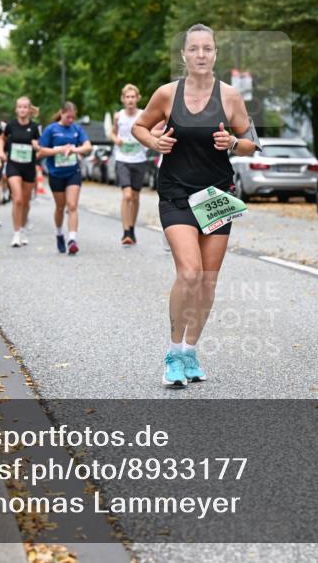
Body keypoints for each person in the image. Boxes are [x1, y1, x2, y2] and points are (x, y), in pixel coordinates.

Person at [130, 24, 261, 388]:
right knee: (189, 272)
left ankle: (190, 350)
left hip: (217, 196)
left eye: (208, 48)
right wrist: (153, 141)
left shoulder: (231, 96)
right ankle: (173, 353)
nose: (201, 54)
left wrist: (233, 142)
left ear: (215, 54)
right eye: (194, 49)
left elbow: (252, 142)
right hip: (176, 193)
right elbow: (139, 127)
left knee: (207, 280)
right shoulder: (167, 94)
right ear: (184, 55)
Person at [38, 102, 91, 255]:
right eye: (68, 117)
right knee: (60, 207)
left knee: (72, 205)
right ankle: (59, 233)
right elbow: (40, 152)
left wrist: (75, 149)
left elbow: (87, 146)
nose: (71, 120)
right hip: (56, 174)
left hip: (73, 172)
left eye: (73, 117)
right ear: (61, 113)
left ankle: (72, 239)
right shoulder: (51, 129)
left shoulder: (76, 129)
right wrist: (58, 150)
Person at [0, 96, 41, 247]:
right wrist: (1, 152)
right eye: (20, 107)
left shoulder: (35, 127)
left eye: (25, 107)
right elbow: (1, 139)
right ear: (16, 109)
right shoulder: (11, 125)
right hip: (13, 165)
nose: (22, 109)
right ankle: (16, 233)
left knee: (25, 201)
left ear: (29, 110)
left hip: (29, 166)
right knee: (17, 199)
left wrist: (37, 146)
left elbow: (39, 145)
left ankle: (22, 229)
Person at [110, 84, 148, 245]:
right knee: (127, 195)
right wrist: (116, 139)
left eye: (133, 97)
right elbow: (112, 132)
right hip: (123, 159)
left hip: (139, 159)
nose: (130, 100)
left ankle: (132, 229)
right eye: (127, 97)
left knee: (136, 196)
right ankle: (125, 231)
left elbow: (150, 131)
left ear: (137, 98)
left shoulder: (143, 115)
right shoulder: (118, 116)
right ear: (123, 99)